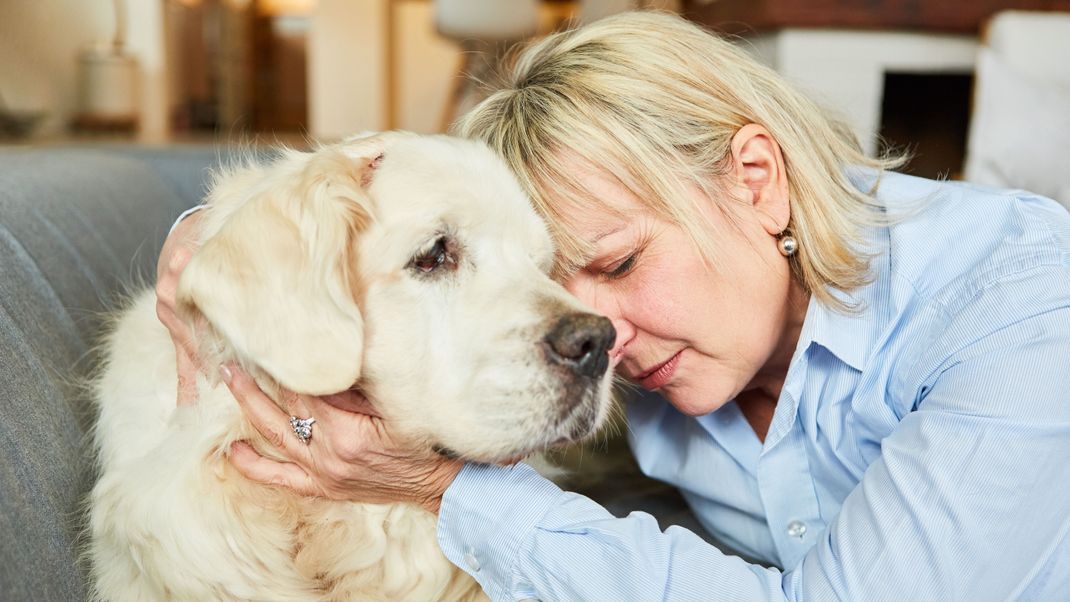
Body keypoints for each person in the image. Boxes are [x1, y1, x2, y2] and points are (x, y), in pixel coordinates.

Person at [158, 11, 1070, 600]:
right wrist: (226, 232)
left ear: (756, 181)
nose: (609, 340)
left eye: (624, 261)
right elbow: (415, 227)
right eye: (561, 281)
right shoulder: (681, 350)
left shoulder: (1022, 311)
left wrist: (448, 490)